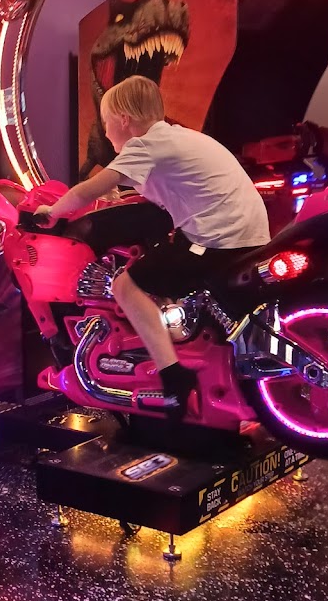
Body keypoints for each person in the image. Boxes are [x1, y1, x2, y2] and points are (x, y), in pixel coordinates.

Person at [35, 75, 270, 413]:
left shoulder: (144, 145)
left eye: (105, 122)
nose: (105, 133)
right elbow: (165, 191)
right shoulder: (177, 137)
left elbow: (88, 189)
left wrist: (51, 212)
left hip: (218, 238)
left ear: (123, 119)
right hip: (248, 235)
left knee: (124, 286)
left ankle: (172, 375)